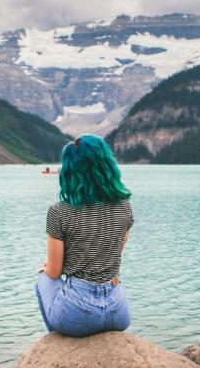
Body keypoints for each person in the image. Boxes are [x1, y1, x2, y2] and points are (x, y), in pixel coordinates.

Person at [34, 134, 134, 337]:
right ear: (107, 165)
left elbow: (54, 273)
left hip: (78, 314)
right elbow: (113, 251)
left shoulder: (59, 212)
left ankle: (58, 345)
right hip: (119, 313)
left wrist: (47, 268)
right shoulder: (124, 207)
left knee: (42, 280)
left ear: (69, 170)